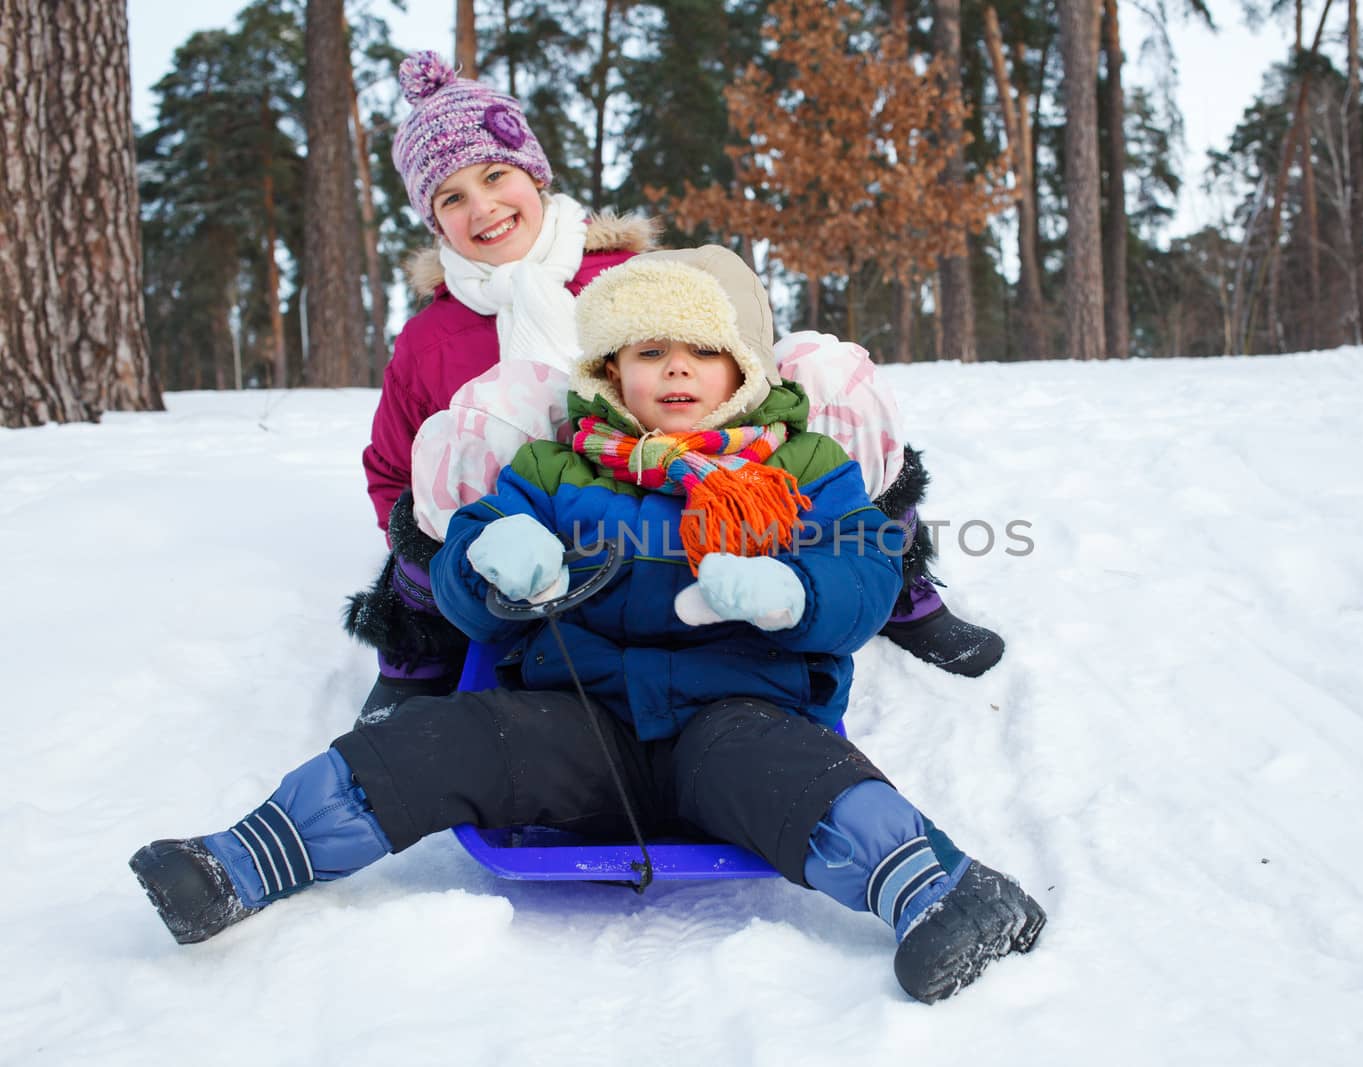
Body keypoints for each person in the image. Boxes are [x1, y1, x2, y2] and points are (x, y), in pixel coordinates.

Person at [130, 248, 1045, 1004]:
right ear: (611, 373)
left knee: (805, 783)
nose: (676, 368)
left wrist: (792, 591)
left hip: (741, 712)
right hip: (575, 711)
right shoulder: (557, 463)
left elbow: (863, 573)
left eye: (700, 350)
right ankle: (243, 861)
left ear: (741, 369)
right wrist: (493, 560)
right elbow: (466, 569)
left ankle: (950, 893)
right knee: (437, 740)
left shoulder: (804, 465)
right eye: (648, 352)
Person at [346, 51, 1004, 725]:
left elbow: (724, 363)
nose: (481, 206)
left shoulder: (631, 270)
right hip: (549, 526)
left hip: (690, 483)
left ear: (534, 176)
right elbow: (394, 468)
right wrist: (444, 553)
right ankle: (424, 643)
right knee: (488, 412)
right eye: (452, 197)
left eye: (495, 175)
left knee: (822, 367)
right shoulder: (431, 337)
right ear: (433, 219)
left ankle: (890, 582)